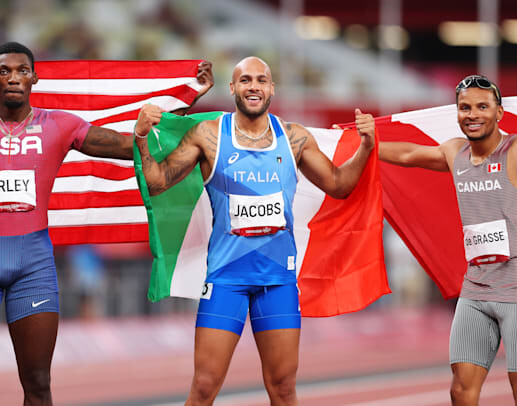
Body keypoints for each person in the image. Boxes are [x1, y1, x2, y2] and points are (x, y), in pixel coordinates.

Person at [0, 41, 213, 405]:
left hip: (32, 266)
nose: (13, 78)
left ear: (34, 78)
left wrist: (178, 107)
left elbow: (124, 146)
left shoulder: (59, 125)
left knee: (37, 383)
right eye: (5, 71)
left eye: (22, 71)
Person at [134, 56, 375, 405]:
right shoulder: (209, 135)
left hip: (277, 281)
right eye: (245, 80)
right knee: (204, 386)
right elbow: (157, 183)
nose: (254, 86)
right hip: (226, 280)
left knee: (283, 388)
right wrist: (141, 136)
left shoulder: (294, 138)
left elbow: (339, 185)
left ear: (271, 89)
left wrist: (366, 147)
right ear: (232, 87)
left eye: (261, 80)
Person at [379, 74, 517, 405]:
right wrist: (365, 143)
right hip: (475, 291)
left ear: (499, 112)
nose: (473, 114)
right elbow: (408, 154)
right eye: (465, 108)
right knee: (460, 391)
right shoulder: (455, 152)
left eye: (482, 106)